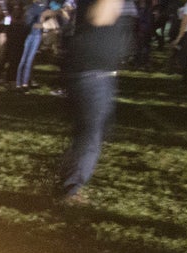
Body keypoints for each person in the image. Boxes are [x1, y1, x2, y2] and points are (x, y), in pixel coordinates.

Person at [57, 0, 129, 203]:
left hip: (97, 75)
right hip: (93, 76)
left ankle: (66, 179)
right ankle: (71, 188)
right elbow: (99, 16)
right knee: (91, 136)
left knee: (88, 133)